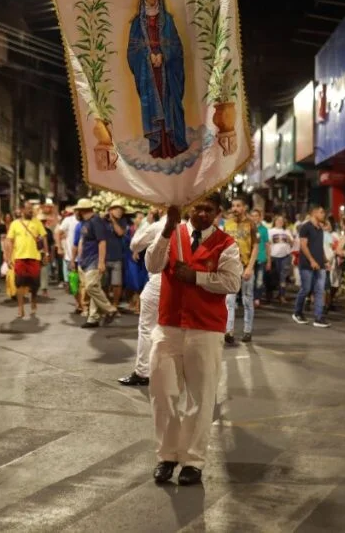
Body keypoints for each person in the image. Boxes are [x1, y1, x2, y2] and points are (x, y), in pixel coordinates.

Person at [145, 194, 241, 486]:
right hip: (169, 325)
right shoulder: (171, 233)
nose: (201, 213)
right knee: (163, 394)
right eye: (197, 207)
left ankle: (192, 461)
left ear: (218, 213)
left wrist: (197, 277)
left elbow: (232, 282)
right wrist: (165, 229)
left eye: (208, 209)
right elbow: (152, 264)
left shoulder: (227, 244)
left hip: (206, 329)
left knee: (201, 397)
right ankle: (166, 457)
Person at [127, 0, 188, 159]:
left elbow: (176, 45)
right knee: (154, 105)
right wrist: (147, 57)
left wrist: (164, 55)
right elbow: (132, 50)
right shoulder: (137, 23)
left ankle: (171, 144)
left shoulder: (167, 20)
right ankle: (157, 146)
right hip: (148, 72)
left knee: (169, 103)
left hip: (167, 71)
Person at [119, 211, 166, 387]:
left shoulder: (158, 225)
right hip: (184, 283)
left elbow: (135, 244)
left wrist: (148, 221)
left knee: (147, 327)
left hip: (159, 281)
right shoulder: (188, 226)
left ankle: (143, 371)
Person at [76, 198, 117, 327]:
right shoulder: (85, 222)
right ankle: (93, 318)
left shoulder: (95, 221)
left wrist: (101, 262)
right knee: (94, 288)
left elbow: (102, 242)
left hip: (94, 259)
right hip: (85, 259)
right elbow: (83, 241)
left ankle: (110, 309)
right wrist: (79, 259)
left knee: (91, 286)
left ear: (82, 210)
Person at [223, 195, 258, 344]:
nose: (235, 209)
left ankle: (247, 331)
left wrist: (250, 267)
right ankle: (228, 331)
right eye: (233, 206)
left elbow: (256, 245)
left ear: (244, 208)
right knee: (229, 300)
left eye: (238, 206)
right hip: (231, 267)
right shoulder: (228, 224)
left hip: (245, 267)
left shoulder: (251, 224)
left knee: (247, 300)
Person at [5, 202, 49, 319]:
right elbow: (9, 241)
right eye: (28, 209)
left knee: (34, 284)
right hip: (19, 257)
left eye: (32, 209)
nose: (30, 211)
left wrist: (46, 253)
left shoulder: (37, 222)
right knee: (19, 283)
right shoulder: (15, 224)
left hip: (34, 257)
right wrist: (8, 257)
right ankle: (20, 308)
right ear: (22, 210)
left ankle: (33, 300)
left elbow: (44, 237)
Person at [294, 205, 330, 327]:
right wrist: (312, 260)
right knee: (306, 289)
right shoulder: (305, 227)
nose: (323, 214)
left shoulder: (320, 229)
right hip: (306, 264)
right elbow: (303, 245)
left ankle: (318, 318)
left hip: (320, 264)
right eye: (321, 212)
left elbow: (319, 247)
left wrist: (325, 260)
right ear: (314, 213)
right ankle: (297, 312)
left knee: (320, 290)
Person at [268, 215, 294, 303]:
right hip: (274, 256)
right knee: (274, 277)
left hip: (285, 256)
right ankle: (271, 294)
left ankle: (282, 295)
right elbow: (267, 243)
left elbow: (292, 242)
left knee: (283, 277)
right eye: (278, 220)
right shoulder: (270, 231)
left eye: (281, 221)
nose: (280, 222)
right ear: (275, 221)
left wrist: (289, 238)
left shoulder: (287, 231)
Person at [251, 208, 270, 306]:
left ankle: (256, 298)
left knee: (259, 279)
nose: (255, 218)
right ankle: (248, 297)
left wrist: (269, 260)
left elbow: (267, 244)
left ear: (260, 217)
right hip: (249, 259)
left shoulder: (264, 229)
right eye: (253, 216)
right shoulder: (248, 228)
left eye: (256, 216)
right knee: (249, 279)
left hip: (261, 258)